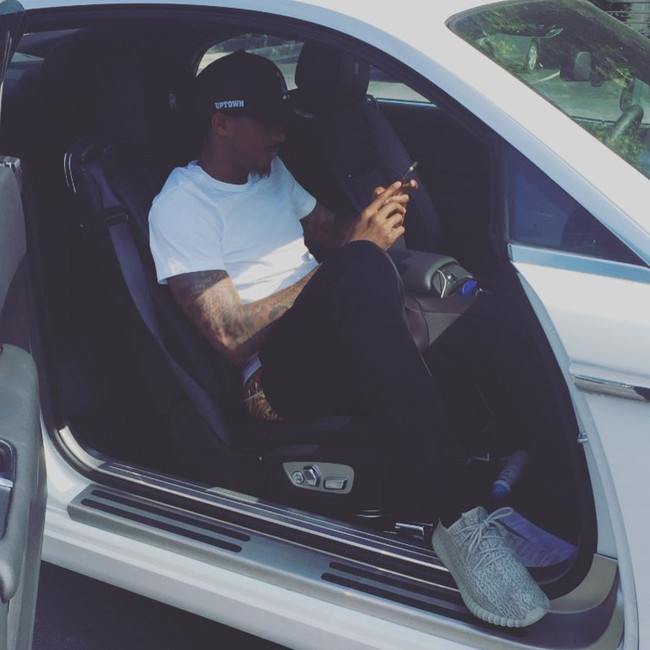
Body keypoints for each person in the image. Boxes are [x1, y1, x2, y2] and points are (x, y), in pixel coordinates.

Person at [148, 50, 549, 628]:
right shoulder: (181, 205)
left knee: (489, 306)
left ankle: (532, 484)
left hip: (330, 329)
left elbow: (332, 233)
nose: (282, 133)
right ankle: (458, 522)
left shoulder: (271, 174)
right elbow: (230, 337)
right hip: (271, 378)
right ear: (221, 123)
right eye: (268, 121)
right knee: (361, 268)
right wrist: (352, 256)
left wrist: (372, 218)